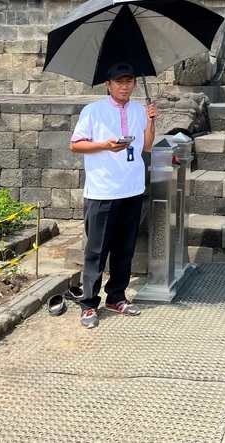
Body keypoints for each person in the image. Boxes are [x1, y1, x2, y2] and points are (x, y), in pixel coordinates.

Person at [70, 62, 158, 329]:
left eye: (129, 80)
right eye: (119, 81)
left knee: (124, 248)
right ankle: (89, 304)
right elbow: (75, 145)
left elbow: (147, 145)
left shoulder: (140, 110)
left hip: (131, 189)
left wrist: (151, 121)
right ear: (108, 84)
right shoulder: (93, 111)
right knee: (96, 251)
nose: (124, 86)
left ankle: (116, 296)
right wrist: (104, 145)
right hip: (103, 191)